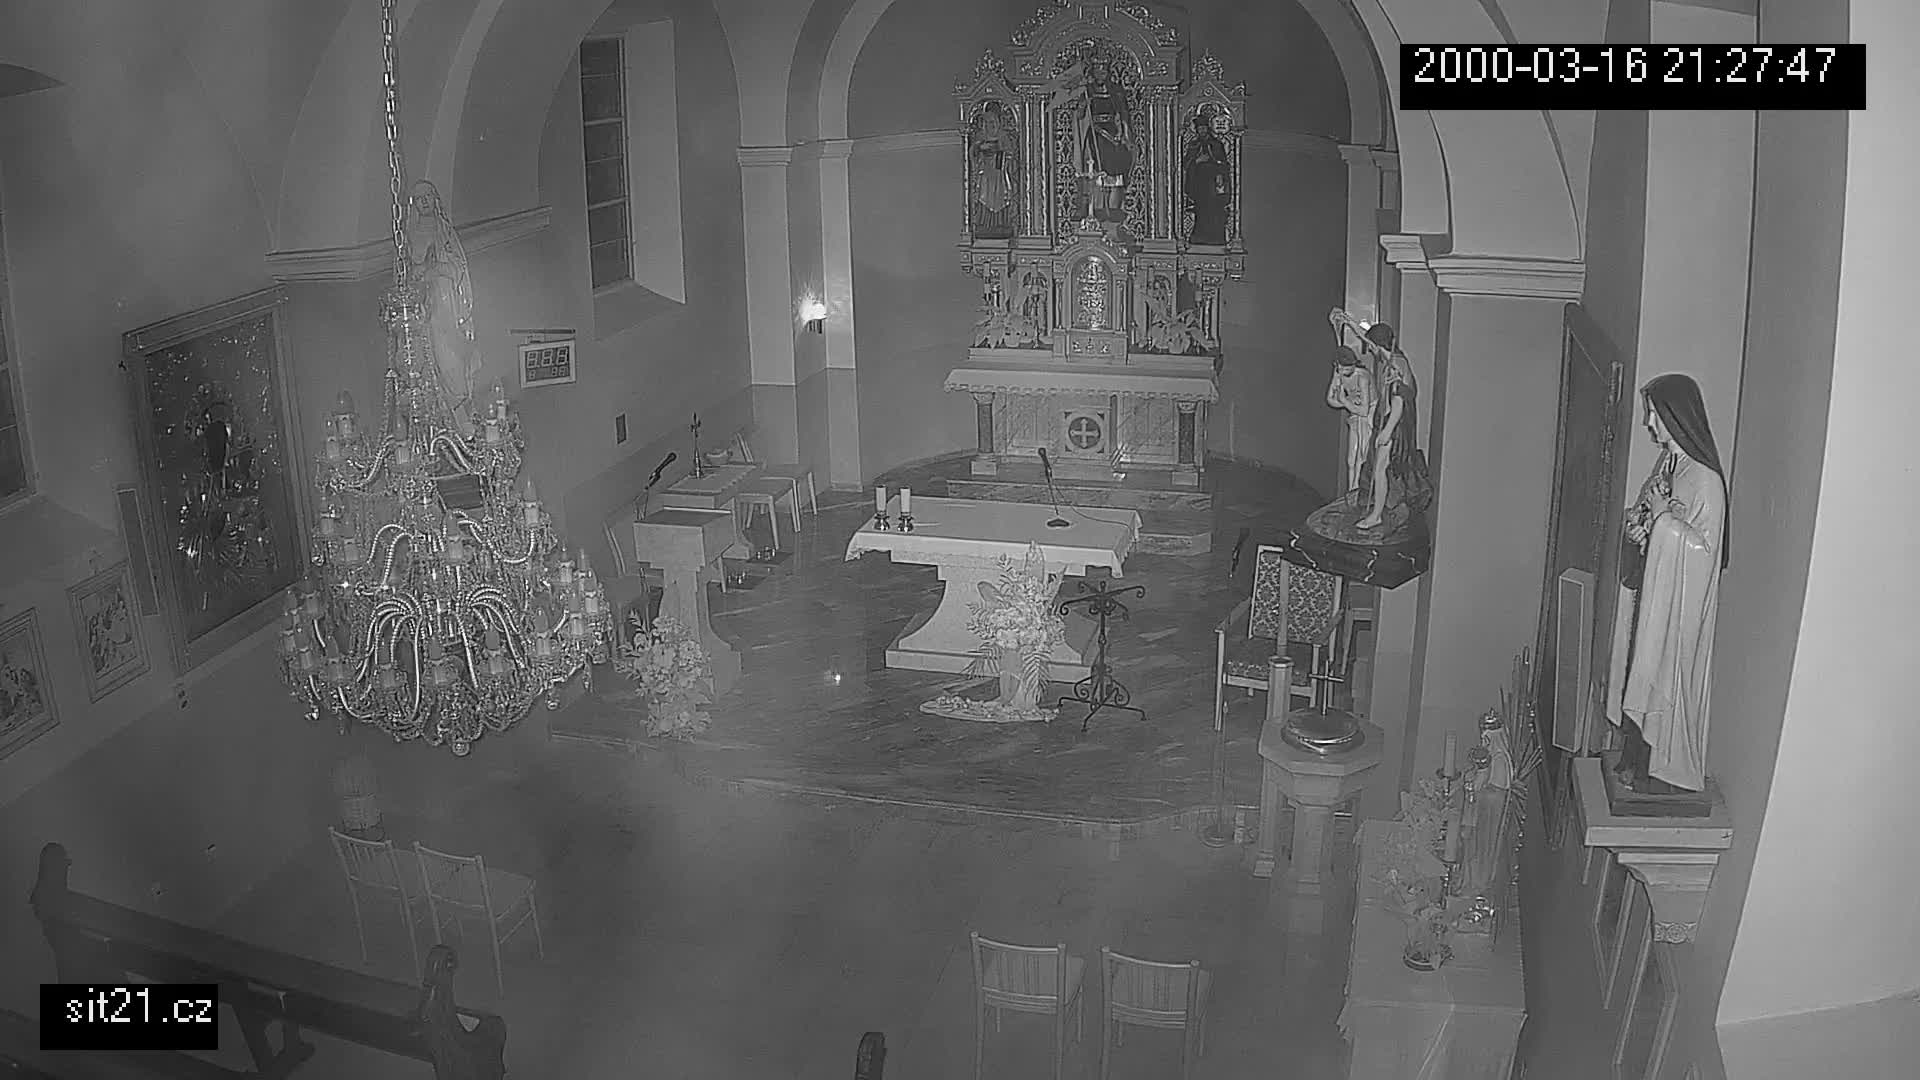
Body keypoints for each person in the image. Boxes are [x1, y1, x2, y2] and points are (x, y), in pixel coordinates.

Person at [1606, 374, 1727, 793]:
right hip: (1654, 593)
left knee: (1662, 673)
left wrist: (1662, 523)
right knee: (1638, 664)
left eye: (1654, 416)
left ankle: (1662, 767)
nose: (1649, 424)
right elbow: (1648, 514)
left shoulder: (1706, 480)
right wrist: (1641, 527)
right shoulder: (1670, 464)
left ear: (1678, 418)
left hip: (1678, 608)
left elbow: (1705, 553)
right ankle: (1635, 759)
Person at [1355, 323, 1434, 531]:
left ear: (1377, 344)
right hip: (1391, 421)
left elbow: (1399, 401)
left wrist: (1387, 431)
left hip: (1394, 424)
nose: (1369, 348)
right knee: (1379, 468)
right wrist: (1347, 321)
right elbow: (1366, 337)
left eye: (1371, 345)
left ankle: (1376, 515)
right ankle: (1377, 510)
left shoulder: (1394, 366)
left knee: (1380, 469)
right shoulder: (1396, 358)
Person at [1325, 346, 1377, 496]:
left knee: (1362, 455)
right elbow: (1330, 399)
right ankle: (1351, 491)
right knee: (1351, 459)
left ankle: (1360, 492)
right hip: (1355, 414)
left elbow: (1365, 410)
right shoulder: (1339, 374)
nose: (1341, 371)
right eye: (1339, 367)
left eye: (1345, 367)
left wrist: (1345, 401)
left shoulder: (1362, 377)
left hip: (1368, 416)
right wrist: (1347, 402)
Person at [1182, 109, 1233, 246]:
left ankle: (1215, 236)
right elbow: (1186, 164)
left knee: (1214, 211)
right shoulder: (1193, 145)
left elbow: (1223, 163)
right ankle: (1199, 235)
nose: (1202, 131)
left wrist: (1218, 170)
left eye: (1204, 128)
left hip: (1213, 183)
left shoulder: (1217, 145)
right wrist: (1197, 161)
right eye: (1200, 129)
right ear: (1197, 130)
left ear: (1208, 129)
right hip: (1199, 184)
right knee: (1201, 211)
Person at [969, 103, 1018, 239]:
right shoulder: (980, 137)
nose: (990, 126)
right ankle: (984, 224)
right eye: (987, 122)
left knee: (1001, 196)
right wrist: (980, 148)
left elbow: (1011, 154)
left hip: (1000, 172)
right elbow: (973, 153)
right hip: (985, 173)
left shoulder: (1003, 137)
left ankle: (1001, 224)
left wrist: (1000, 153)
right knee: (984, 195)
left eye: (992, 122)